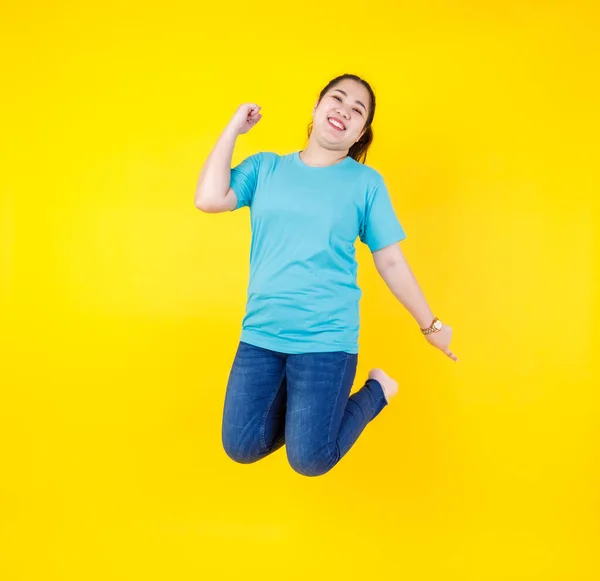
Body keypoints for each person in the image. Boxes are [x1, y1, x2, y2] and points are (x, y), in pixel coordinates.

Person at [195, 73, 458, 477]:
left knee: (311, 459)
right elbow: (209, 199)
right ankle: (308, 416)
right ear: (316, 108)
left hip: (326, 340)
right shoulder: (266, 167)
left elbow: (390, 261)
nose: (345, 111)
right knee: (241, 446)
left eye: (358, 111)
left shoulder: (366, 183)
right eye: (338, 99)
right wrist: (235, 127)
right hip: (262, 335)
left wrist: (431, 324)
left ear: (360, 134)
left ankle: (378, 390)